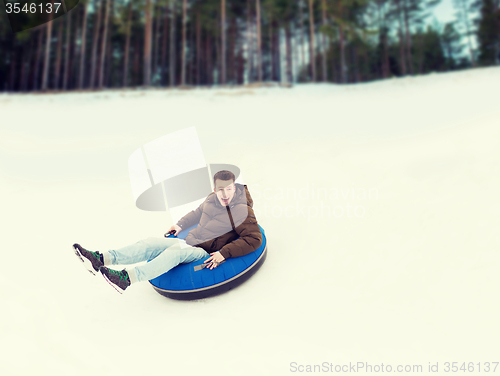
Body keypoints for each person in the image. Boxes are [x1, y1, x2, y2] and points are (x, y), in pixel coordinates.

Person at [73, 170, 262, 293]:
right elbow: (197, 213)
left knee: (173, 254)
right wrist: (180, 225)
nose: (225, 194)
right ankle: (100, 259)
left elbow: (254, 238)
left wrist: (224, 253)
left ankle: (126, 279)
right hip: (191, 239)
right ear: (215, 189)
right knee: (148, 243)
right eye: (221, 189)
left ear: (234, 187)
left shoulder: (241, 209)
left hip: (205, 251)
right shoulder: (212, 198)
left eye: (229, 189)